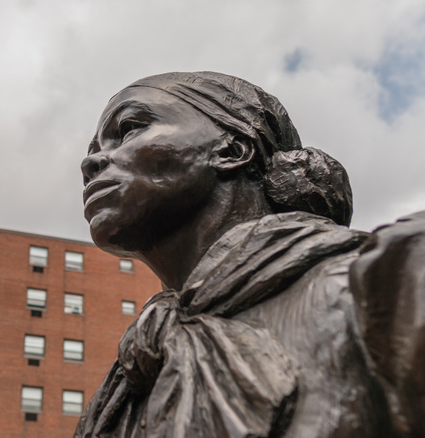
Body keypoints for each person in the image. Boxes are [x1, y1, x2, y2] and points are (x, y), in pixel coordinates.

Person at [76, 72, 425, 438]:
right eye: (93, 149)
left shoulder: (391, 282)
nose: (92, 163)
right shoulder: (128, 381)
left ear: (232, 150)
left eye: (129, 127)